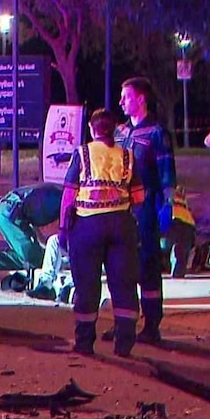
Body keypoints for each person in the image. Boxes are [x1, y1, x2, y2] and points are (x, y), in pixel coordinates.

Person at [60, 109, 144, 357]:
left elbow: (68, 194)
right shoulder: (127, 156)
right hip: (121, 225)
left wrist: (64, 228)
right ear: (115, 129)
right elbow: (139, 196)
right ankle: (124, 344)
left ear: (92, 128)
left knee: (87, 284)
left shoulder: (83, 153)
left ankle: (85, 343)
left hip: (87, 226)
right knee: (124, 285)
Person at [106, 77, 177, 344]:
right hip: (121, 209)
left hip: (145, 209)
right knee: (120, 267)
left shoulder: (157, 134)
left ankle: (151, 326)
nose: (121, 102)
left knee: (147, 266)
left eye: (126, 96)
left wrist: (166, 206)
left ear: (141, 99)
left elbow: (167, 173)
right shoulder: (121, 133)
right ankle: (123, 323)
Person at [0, 183, 63, 293]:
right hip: (10, 214)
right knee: (36, 259)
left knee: (31, 255)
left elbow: (34, 221)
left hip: (5, 210)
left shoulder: (55, 193)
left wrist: (44, 247)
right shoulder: (61, 202)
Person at [161, 185, 195, 279]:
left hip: (177, 223)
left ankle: (177, 272)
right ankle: (178, 272)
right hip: (187, 225)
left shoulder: (171, 204)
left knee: (178, 251)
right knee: (182, 253)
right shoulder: (185, 208)